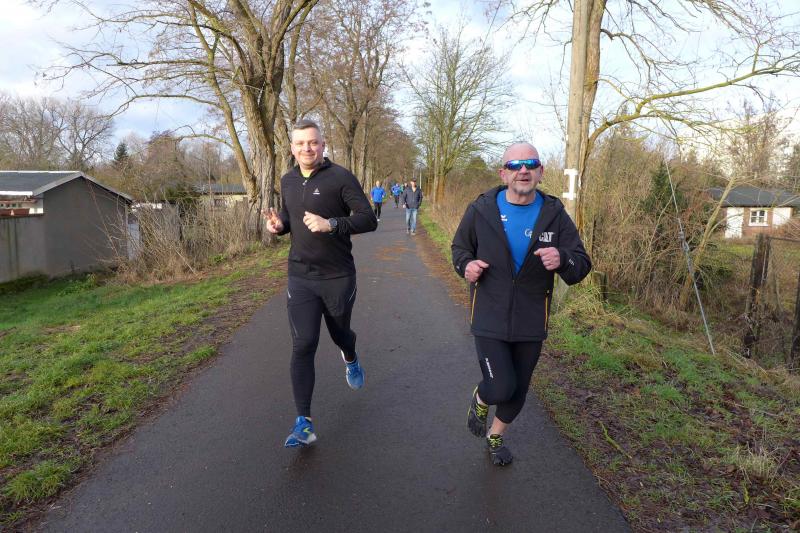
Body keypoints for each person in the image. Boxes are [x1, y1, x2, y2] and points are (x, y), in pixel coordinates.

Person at [451, 142, 591, 466]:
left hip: (531, 317)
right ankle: (482, 397)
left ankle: (495, 436)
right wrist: (466, 266)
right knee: (500, 386)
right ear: (503, 174)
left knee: (518, 390)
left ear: (541, 172)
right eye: (515, 165)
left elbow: (581, 264)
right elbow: (460, 250)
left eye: (530, 164)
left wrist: (563, 258)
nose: (523, 171)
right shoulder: (481, 210)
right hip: (489, 313)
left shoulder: (554, 215)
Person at [263, 119, 377, 448]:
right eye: (300, 143)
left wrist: (332, 224)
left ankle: (350, 356)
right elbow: (290, 216)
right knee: (303, 344)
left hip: (338, 276)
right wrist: (280, 226)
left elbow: (368, 219)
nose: (307, 148)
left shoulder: (340, 177)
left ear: (323, 144)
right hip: (301, 276)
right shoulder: (287, 180)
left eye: (312, 142)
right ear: (292, 148)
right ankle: (304, 422)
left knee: (340, 334)